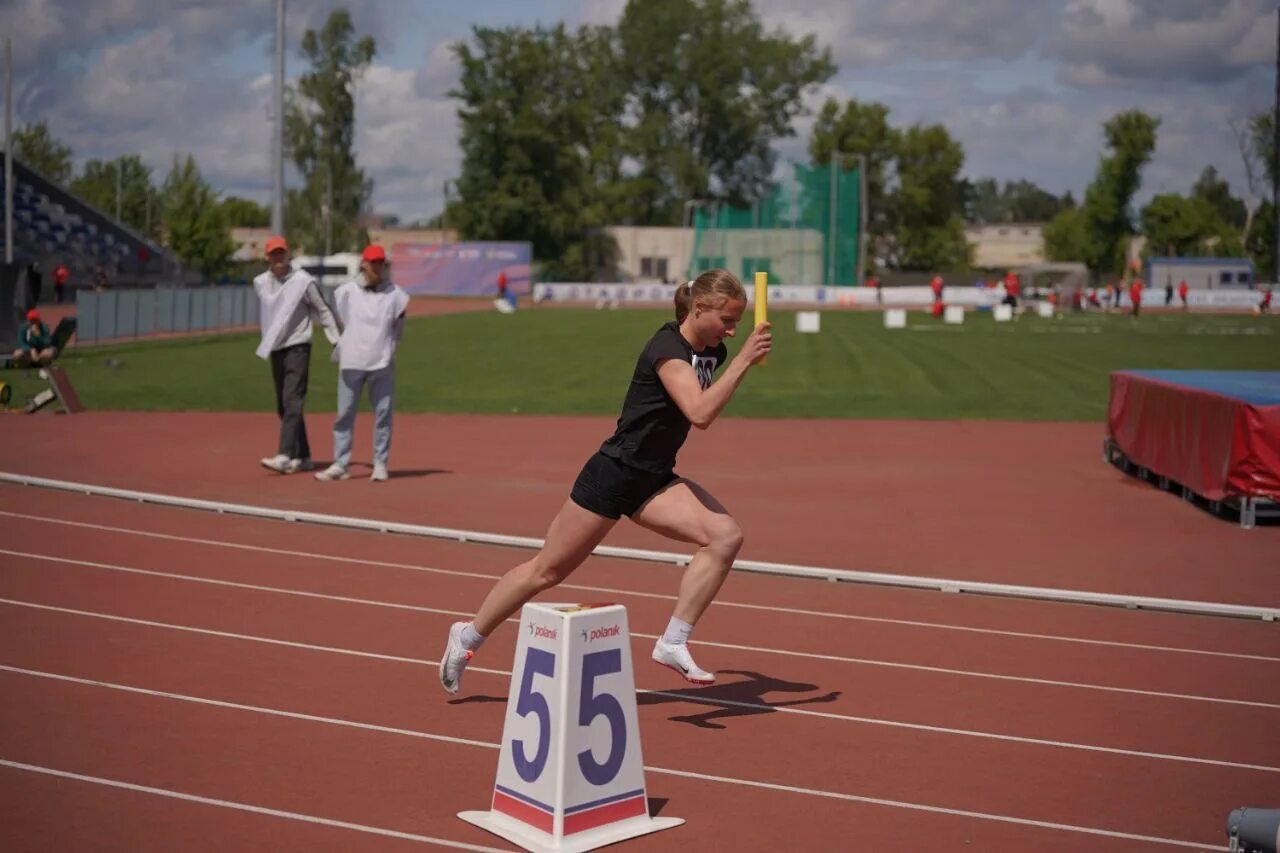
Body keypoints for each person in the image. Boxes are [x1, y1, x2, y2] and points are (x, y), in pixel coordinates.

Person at [438, 269, 772, 694]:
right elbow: (700, 413)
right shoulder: (666, 348)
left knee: (724, 536)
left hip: (653, 480)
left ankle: (673, 641)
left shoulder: (711, 352)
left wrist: (734, 356)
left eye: (738, 321)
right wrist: (745, 358)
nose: (732, 329)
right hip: (613, 473)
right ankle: (467, 637)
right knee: (546, 571)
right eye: (727, 319)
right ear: (699, 308)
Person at [315, 244, 410, 483]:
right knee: (344, 413)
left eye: (381, 263)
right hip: (352, 360)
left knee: (383, 415)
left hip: (382, 361)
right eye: (373, 262)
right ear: (363, 264)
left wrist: (389, 346)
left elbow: (398, 330)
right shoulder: (346, 291)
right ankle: (340, 463)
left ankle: (380, 463)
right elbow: (340, 317)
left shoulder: (397, 296)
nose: (377, 267)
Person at [254, 235, 343, 474]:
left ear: (287, 253)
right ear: (267, 257)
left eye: (281, 252)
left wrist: (336, 341)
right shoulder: (261, 283)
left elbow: (323, 310)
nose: (278, 257)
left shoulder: (303, 281)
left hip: (298, 346)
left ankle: (284, 455)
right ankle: (303, 456)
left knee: (292, 399)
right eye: (273, 253)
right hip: (276, 347)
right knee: (284, 407)